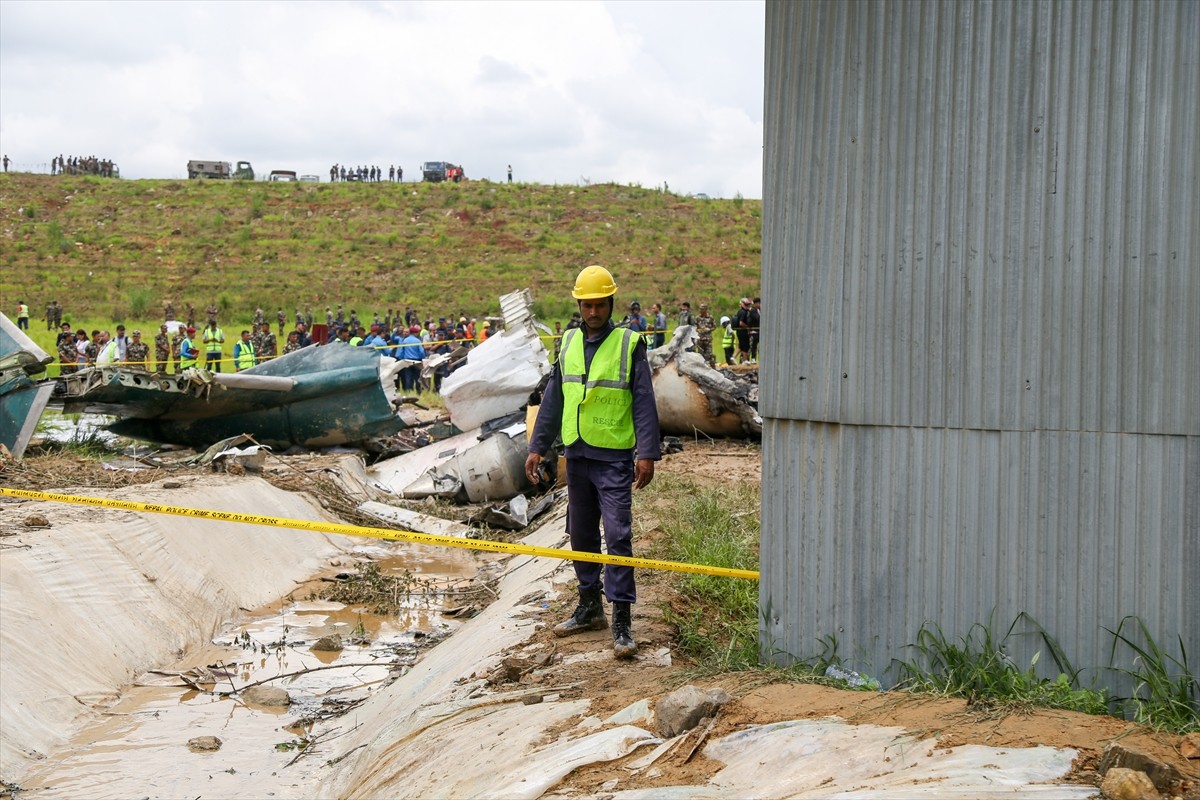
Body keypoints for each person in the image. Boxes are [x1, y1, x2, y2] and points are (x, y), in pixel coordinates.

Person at [524, 265, 661, 660]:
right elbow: (553, 399)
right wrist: (538, 446)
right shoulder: (567, 343)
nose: (593, 312)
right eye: (587, 305)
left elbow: (643, 400)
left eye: (600, 304)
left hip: (614, 457)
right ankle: (588, 607)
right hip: (577, 455)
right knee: (581, 534)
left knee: (618, 536)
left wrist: (647, 453)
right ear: (579, 304)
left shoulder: (628, 344)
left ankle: (621, 618)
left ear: (610, 303)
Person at [734, 297, 753, 364]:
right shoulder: (743, 312)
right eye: (746, 304)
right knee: (745, 345)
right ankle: (744, 360)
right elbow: (741, 323)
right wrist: (747, 327)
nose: (748, 306)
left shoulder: (740, 311)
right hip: (742, 331)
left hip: (740, 331)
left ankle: (734, 357)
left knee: (741, 346)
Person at [748, 296, 761, 364]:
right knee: (754, 345)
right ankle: (753, 358)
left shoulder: (759, 310)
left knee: (760, 346)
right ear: (756, 303)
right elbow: (757, 318)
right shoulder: (753, 310)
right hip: (754, 331)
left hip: (760, 331)